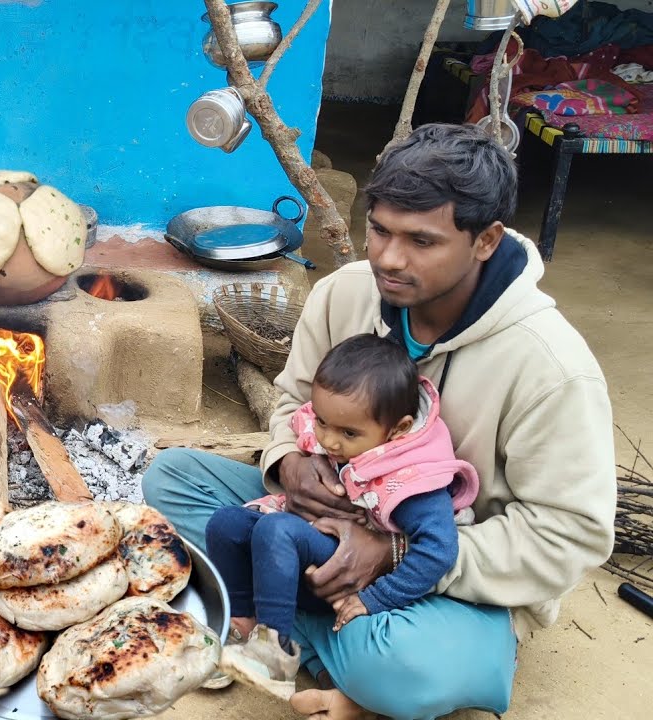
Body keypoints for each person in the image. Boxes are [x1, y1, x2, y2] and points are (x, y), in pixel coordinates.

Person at [143, 123, 615, 720]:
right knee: (171, 476)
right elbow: (292, 403)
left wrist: (391, 553)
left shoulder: (550, 367)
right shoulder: (343, 295)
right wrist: (289, 460)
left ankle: (295, 630)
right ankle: (316, 639)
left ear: (486, 240)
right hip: (318, 522)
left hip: (443, 568)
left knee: (407, 669)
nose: (389, 258)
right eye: (380, 230)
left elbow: (571, 533)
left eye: (421, 240)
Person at [209, 334, 479, 700]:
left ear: (397, 430)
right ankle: (242, 621)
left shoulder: (414, 478)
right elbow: (297, 425)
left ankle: (275, 653)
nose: (330, 442)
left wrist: (377, 599)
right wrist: (293, 461)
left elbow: (440, 549)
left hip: (351, 576)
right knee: (225, 524)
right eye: (322, 423)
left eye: (348, 433)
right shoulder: (340, 424)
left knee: (277, 531)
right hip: (305, 544)